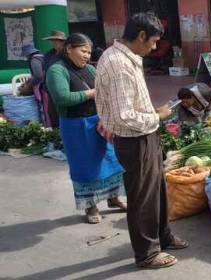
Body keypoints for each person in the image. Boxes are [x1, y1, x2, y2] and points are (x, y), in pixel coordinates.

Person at [95, 13, 188, 269]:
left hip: (145, 135)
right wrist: (156, 117)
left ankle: (163, 237)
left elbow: (130, 104)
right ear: (141, 36)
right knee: (142, 198)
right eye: (153, 42)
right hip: (134, 140)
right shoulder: (117, 64)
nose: (155, 48)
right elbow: (124, 117)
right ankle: (147, 253)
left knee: (157, 191)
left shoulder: (129, 58)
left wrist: (152, 114)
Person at [45, 33, 126, 224]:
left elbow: (104, 90)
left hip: (98, 122)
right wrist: (91, 93)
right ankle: (90, 206)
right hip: (75, 126)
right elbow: (63, 98)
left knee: (110, 160)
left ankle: (113, 198)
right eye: (83, 51)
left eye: (89, 52)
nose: (87, 56)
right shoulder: (56, 70)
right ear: (69, 48)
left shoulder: (90, 69)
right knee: (84, 166)